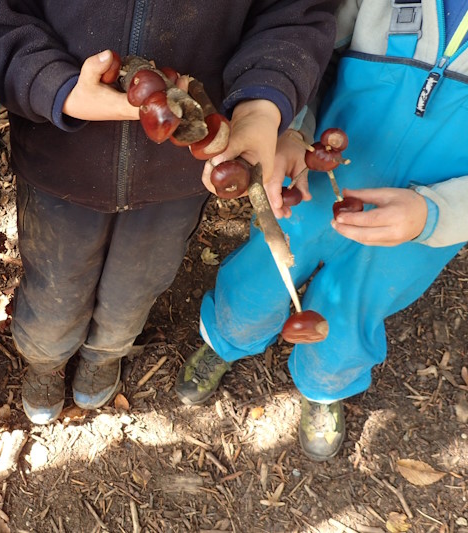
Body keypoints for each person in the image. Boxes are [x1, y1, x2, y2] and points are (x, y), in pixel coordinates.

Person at [0, 0, 339, 424]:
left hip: (175, 177)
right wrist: (57, 87)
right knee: (55, 285)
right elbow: (0, 18)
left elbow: (293, 16)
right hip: (60, 165)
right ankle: (45, 358)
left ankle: (105, 353)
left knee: (138, 283)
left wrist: (261, 105)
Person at [174, 0, 468, 461]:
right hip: (313, 187)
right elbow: (308, 54)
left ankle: (324, 387)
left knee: (354, 309)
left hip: (416, 232)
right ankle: (226, 340)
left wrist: (437, 213)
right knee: (263, 273)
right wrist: (291, 130)